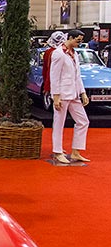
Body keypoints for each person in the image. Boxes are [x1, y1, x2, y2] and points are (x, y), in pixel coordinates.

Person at [50, 30, 90, 164]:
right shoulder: (59, 53)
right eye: (78, 40)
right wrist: (55, 96)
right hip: (62, 94)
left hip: (74, 94)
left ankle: (76, 151)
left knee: (83, 121)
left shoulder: (75, 54)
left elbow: (77, 75)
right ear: (71, 38)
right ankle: (57, 152)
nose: (80, 43)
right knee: (59, 123)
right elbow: (54, 77)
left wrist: (82, 92)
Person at [42, 31, 67, 105]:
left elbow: (46, 70)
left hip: (54, 81)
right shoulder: (67, 51)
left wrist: (46, 86)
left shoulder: (48, 52)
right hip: (64, 83)